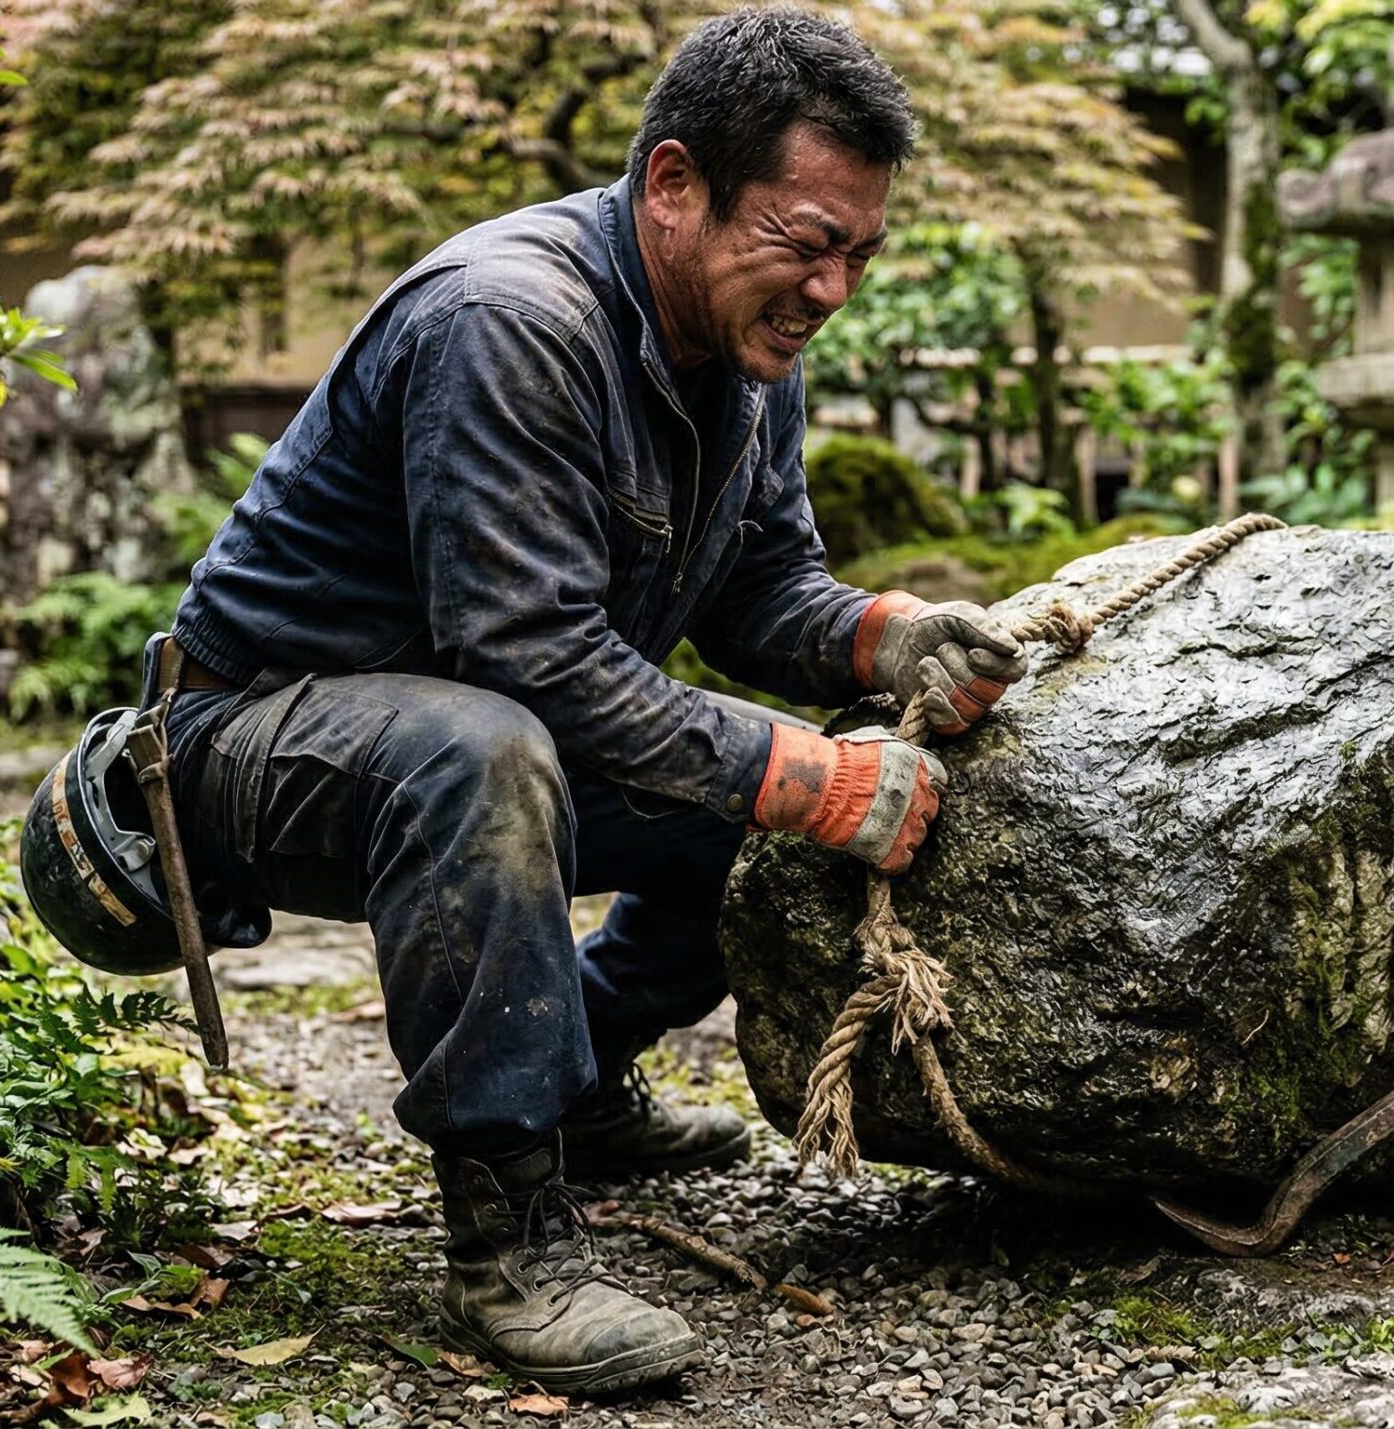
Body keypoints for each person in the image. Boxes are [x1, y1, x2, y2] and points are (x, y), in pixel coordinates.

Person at [157, 9, 1026, 1396]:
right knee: (494, 747)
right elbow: (524, 659)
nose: (833, 289)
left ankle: (579, 1079)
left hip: (487, 734)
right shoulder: (510, 318)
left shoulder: (746, 359)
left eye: (861, 253)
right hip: (239, 748)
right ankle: (509, 1231)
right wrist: (816, 779)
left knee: (755, 787)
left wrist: (888, 639)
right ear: (675, 186)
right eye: (806, 241)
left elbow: (761, 591)